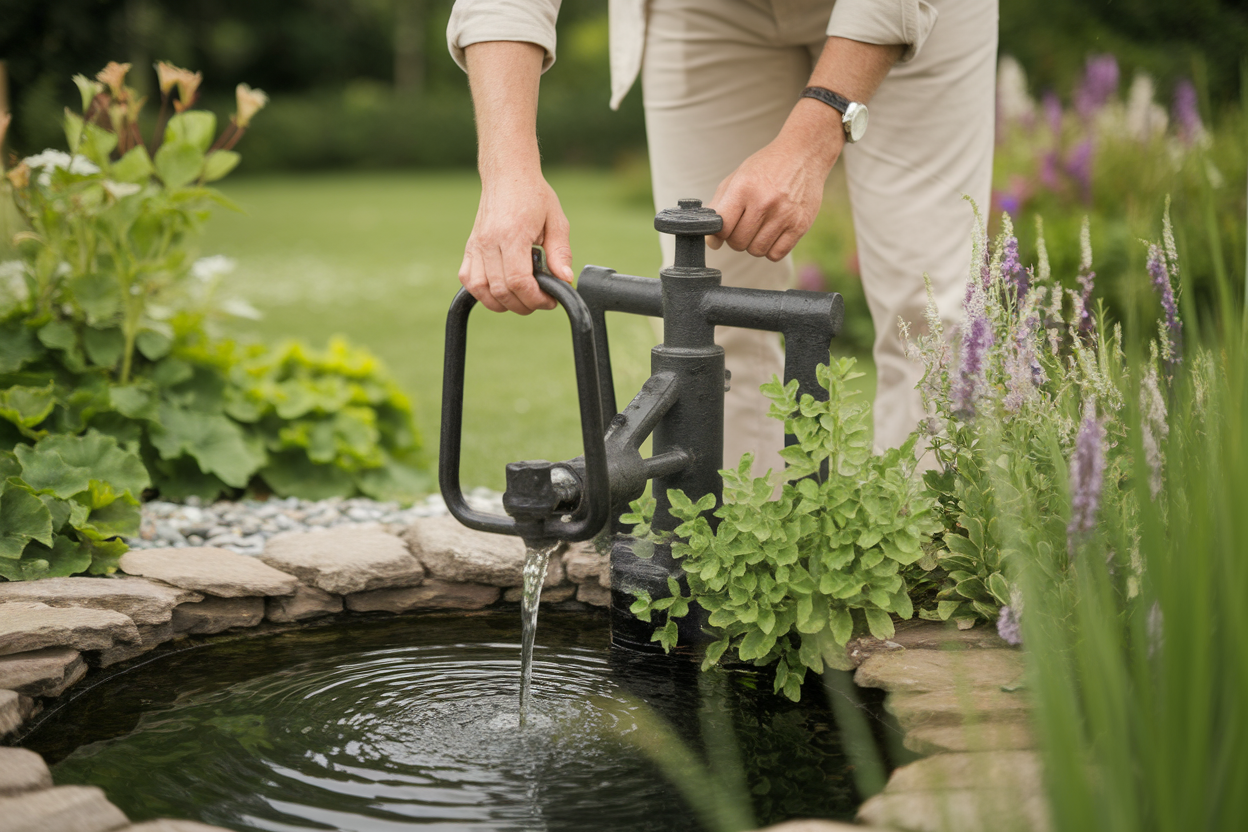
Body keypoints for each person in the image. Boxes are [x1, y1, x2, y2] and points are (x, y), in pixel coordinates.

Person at [447, 0, 998, 476]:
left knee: (929, 313)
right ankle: (735, 549)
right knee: (710, 319)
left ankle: (928, 548)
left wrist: (815, 133)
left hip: (907, 13)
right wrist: (507, 172)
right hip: (705, 13)